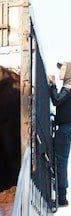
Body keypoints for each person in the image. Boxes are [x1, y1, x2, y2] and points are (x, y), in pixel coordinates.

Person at [50, 62, 71, 207]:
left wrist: (52, 85)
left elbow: (57, 100)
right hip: (66, 127)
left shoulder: (68, 88)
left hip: (65, 128)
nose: (60, 71)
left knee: (60, 162)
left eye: (63, 68)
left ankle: (62, 196)